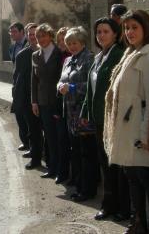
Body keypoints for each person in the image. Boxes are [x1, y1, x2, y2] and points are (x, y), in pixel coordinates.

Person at [104, 10, 149, 234]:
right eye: (127, 28)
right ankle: (139, 222)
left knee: (148, 182)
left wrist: (145, 134)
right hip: (126, 130)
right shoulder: (130, 54)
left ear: (146, 28)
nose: (129, 32)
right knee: (133, 181)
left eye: (134, 27)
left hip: (138, 133)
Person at [80, 18, 130, 222]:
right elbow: (90, 88)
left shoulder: (119, 56)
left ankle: (123, 208)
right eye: (98, 32)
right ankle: (109, 204)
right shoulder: (98, 57)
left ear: (116, 34)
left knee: (117, 167)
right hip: (99, 120)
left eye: (105, 31)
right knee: (105, 165)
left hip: (114, 120)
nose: (101, 35)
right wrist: (85, 111)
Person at [57, 27, 94, 195]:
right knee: (76, 152)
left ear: (82, 42)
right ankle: (79, 184)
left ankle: (87, 189)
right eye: (69, 43)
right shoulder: (67, 60)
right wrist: (60, 86)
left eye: (75, 43)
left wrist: (71, 88)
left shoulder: (89, 58)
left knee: (86, 154)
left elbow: (92, 86)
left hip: (83, 113)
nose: (72, 46)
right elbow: (61, 80)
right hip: (69, 113)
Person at [31, 23, 63, 180]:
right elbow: (34, 81)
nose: (41, 39)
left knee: (60, 138)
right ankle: (52, 168)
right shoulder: (35, 55)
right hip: (42, 102)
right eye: (38, 37)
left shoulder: (60, 53)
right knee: (49, 137)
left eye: (43, 35)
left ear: (50, 35)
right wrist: (34, 101)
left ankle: (62, 170)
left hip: (58, 102)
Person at [12, 23, 43, 170]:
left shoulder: (48, 53)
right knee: (34, 131)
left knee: (50, 133)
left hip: (46, 99)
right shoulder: (22, 56)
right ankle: (36, 158)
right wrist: (19, 101)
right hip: (29, 100)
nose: (33, 37)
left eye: (35, 34)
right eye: (30, 34)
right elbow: (17, 79)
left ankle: (51, 160)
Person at [9, 21, 29, 151]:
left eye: (15, 31)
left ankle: (33, 144)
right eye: (11, 32)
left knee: (28, 116)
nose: (12, 34)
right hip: (16, 84)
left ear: (22, 32)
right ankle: (25, 142)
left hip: (27, 85)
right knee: (19, 114)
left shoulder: (28, 45)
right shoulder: (12, 48)